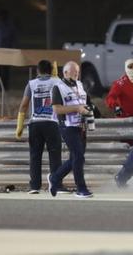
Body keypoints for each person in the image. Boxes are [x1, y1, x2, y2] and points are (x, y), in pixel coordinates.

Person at [16, 60, 65, 194]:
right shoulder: (57, 82)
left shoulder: (31, 84)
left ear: (38, 70)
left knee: (35, 156)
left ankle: (34, 186)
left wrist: (20, 124)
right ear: (51, 70)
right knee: (55, 155)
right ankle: (56, 184)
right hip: (52, 122)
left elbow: (24, 105)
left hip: (35, 124)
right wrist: (57, 77)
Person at [47, 61, 94, 198]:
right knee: (78, 156)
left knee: (76, 157)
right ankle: (81, 188)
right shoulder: (58, 87)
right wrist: (77, 109)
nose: (77, 74)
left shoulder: (79, 84)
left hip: (81, 125)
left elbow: (85, 101)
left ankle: (55, 178)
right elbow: (56, 109)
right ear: (65, 72)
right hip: (67, 126)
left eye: (78, 72)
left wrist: (90, 108)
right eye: (74, 72)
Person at [0, 9, 16, 90]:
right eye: (1, 15)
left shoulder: (10, 26)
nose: (2, 17)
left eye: (4, 15)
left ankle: (5, 86)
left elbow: (13, 38)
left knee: (6, 70)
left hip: (7, 50)